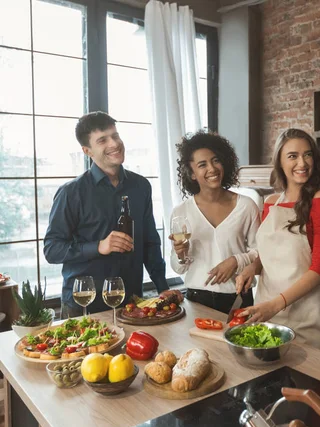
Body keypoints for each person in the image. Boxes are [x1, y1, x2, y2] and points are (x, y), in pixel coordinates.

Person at [44, 111, 168, 316]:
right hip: (83, 304)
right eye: (102, 140)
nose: (114, 144)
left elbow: (150, 242)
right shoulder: (71, 192)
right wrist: (98, 247)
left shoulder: (141, 186)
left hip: (130, 301)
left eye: (115, 135)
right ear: (87, 151)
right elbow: (52, 249)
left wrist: (162, 287)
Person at [235, 128, 320, 350]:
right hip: (265, 307)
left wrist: (276, 305)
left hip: (304, 315)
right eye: (292, 156)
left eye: (307, 154)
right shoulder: (272, 202)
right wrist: (252, 267)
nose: (302, 163)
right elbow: (268, 253)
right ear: (280, 162)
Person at [170, 131, 259, 313]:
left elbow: (261, 252)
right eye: (202, 165)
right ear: (192, 173)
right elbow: (178, 268)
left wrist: (236, 260)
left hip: (238, 298)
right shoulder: (181, 212)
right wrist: (180, 255)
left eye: (216, 160)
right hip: (196, 300)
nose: (212, 168)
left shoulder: (246, 206)